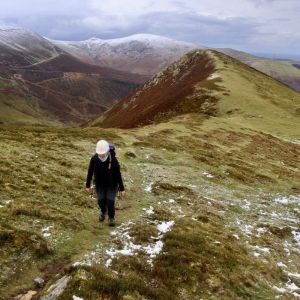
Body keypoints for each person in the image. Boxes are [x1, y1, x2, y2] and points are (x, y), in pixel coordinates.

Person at [85, 140, 125, 226]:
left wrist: (122, 189)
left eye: (103, 153)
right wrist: (87, 185)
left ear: (107, 151)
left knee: (110, 201)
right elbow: (90, 172)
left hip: (112, 185)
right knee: (100, 201)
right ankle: (103, 211)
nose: (101, 155)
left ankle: (111, 218)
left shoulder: (113, 160)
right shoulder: (94, 159)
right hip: (99, 185)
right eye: (100, 153)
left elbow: (118, 175)